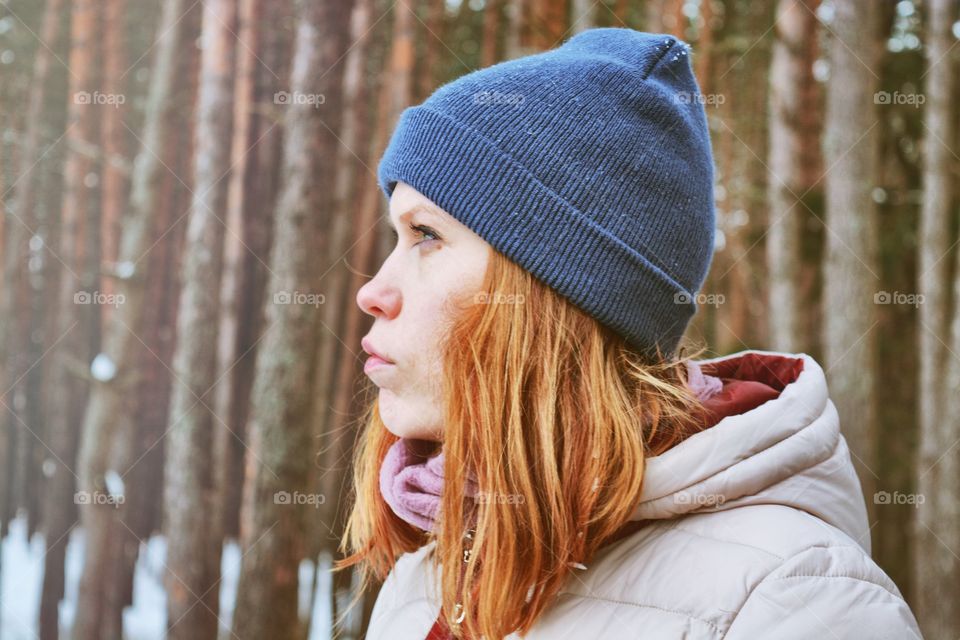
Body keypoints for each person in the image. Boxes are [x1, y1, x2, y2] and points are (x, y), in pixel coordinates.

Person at [338, 27, 922, 640]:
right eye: (396, 238)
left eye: (426, 235)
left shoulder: (796, 601)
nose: (371, 291)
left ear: (554, 294)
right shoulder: (423, 576)